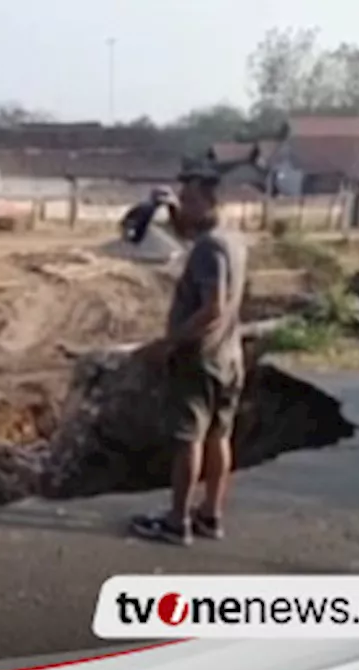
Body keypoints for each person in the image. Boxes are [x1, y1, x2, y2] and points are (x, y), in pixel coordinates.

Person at [129, 161, 248, 547]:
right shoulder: (234, 240)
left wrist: (170, 343)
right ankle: (210, 515)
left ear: (208, 202)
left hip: (200, 359)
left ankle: (176, 521)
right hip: (230, 356)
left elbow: (212, 307)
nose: (183, 206)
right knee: (219, 436)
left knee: (188, 439)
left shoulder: (209, 249)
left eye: (190, 199)